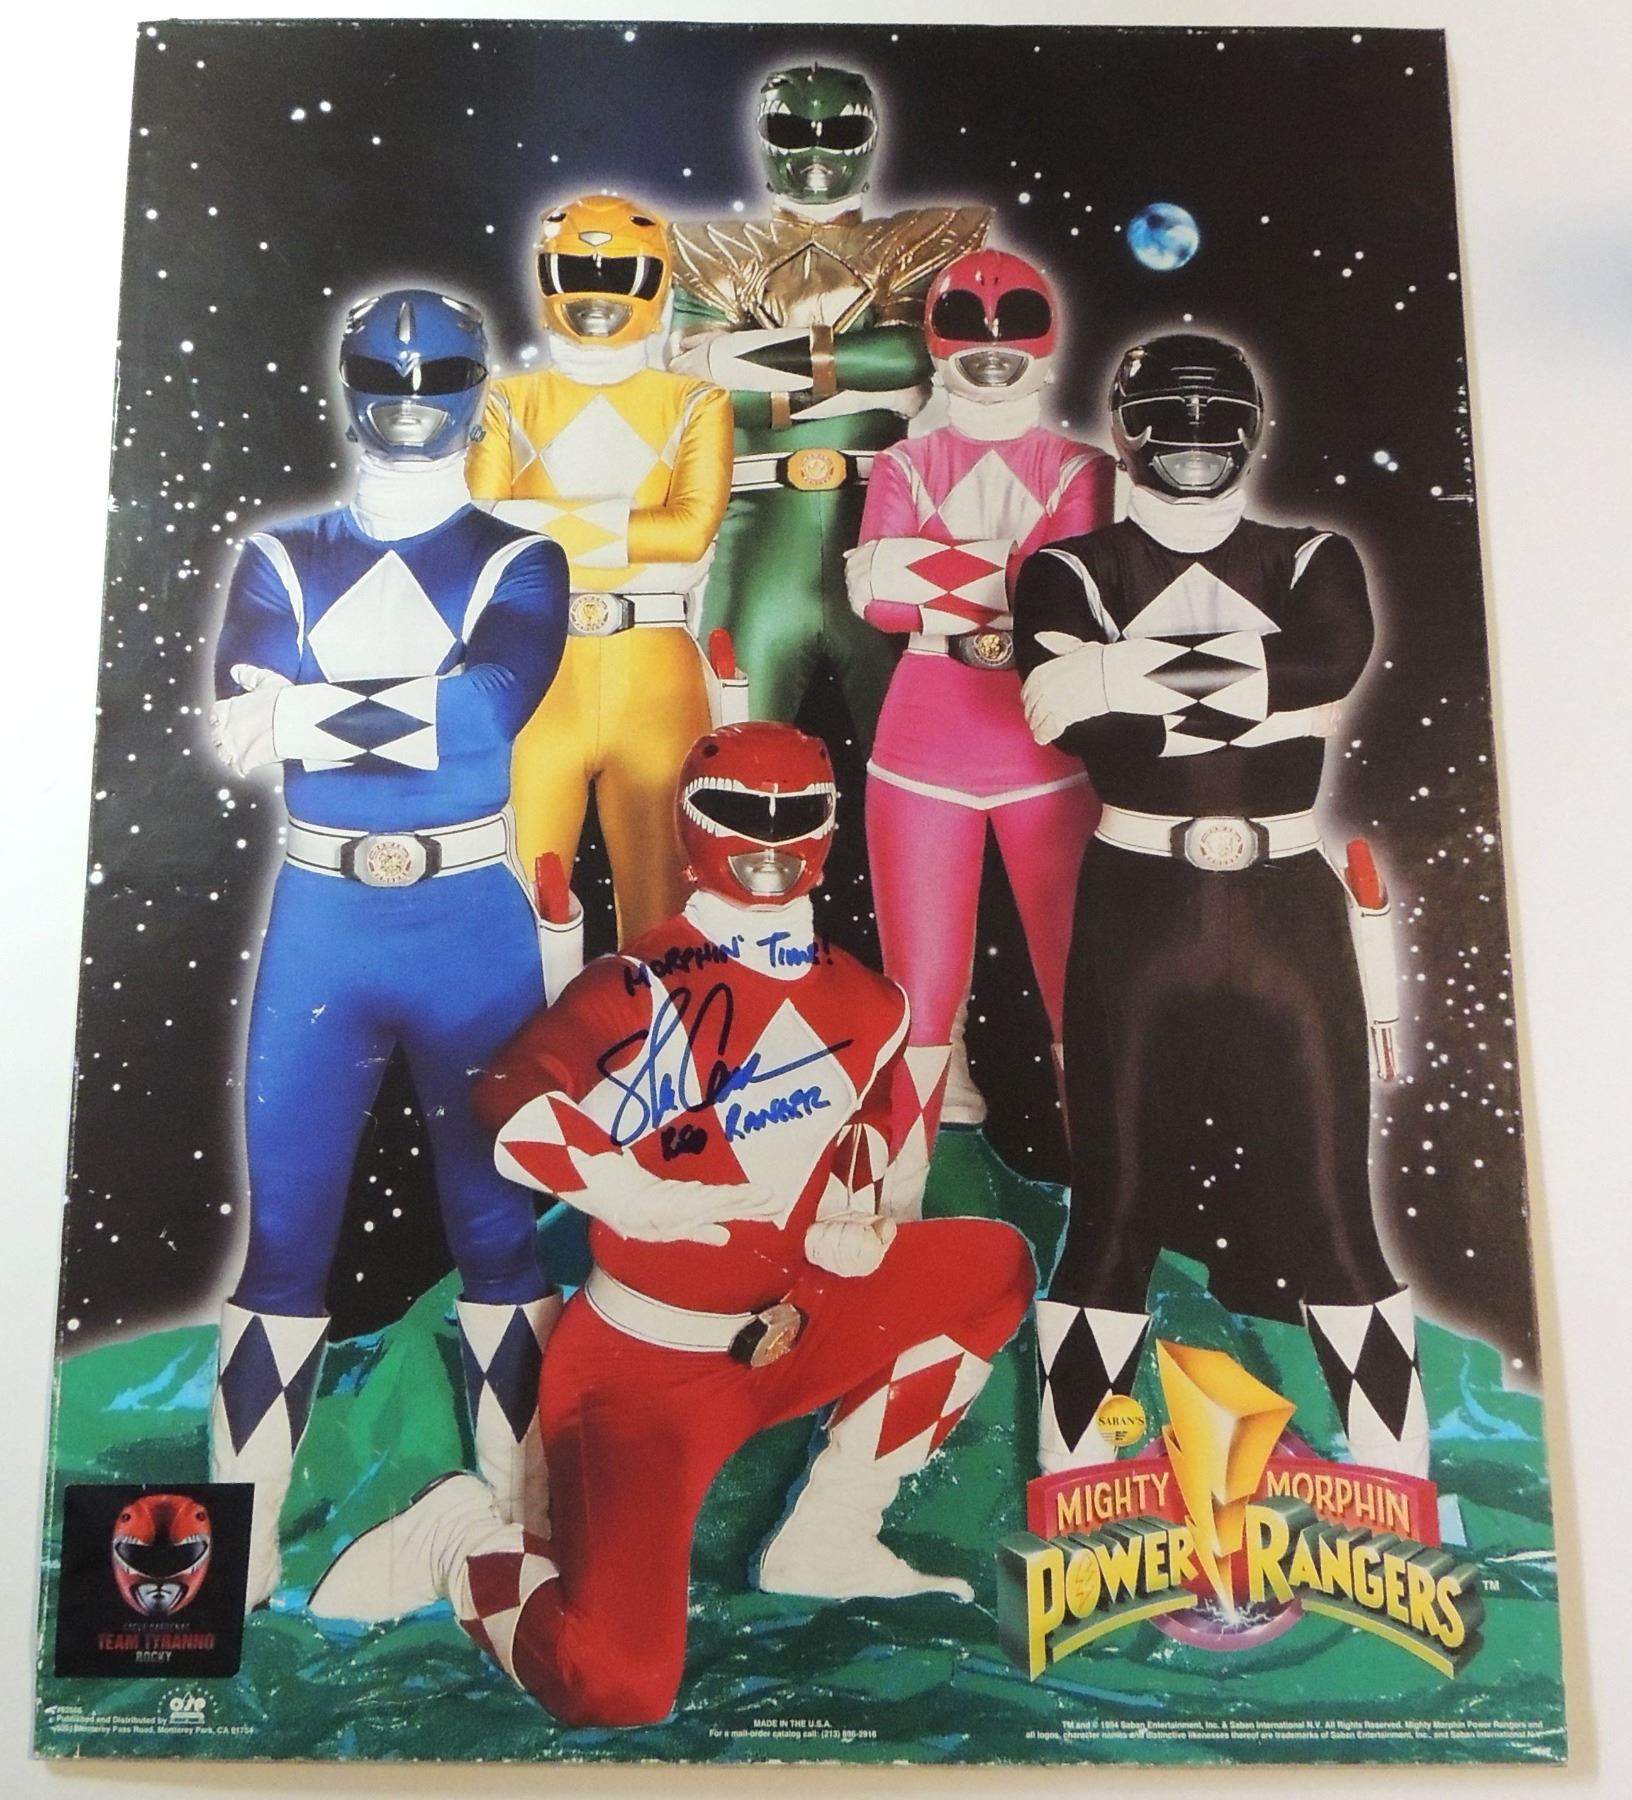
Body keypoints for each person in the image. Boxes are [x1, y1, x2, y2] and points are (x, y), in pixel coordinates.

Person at [308, 722, 1034, 1727]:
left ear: (830, 826)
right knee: (616, 1683)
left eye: (794, 816)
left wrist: (855, 1209)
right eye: (740, 814)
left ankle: (831, 1530)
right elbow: (512, 1095)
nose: (768, 843)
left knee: (992, 1267)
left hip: (798, 1324)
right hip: (643, 1373)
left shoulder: (871, 1002)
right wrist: (624, 1190)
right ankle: (457, 1540)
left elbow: (859, 1127)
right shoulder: (637, 981)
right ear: (694, 824)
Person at [205, 289, 571, 1608]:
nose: (411, 408)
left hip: (467, 923)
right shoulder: (279, 554)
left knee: (501, 1231)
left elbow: (491, 714)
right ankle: (231, 1549)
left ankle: (525, 1526)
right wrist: (400, 710)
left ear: (477, 394)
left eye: (437, 384)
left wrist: (307, 710)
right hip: (324, 921)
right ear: (350, 383)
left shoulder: (521, 557)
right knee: (284, 1241)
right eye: (386, 380)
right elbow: (237, 733)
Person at [1012, 332, 1428, 1479]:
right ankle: (1072, 1494)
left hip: (1286, 902)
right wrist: (1264, 690)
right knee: (1111, 1220)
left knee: (1338, 1221)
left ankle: (1400, 1485)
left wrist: (1120, 671)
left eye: (1215, 421)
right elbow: (1074, 726)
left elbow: (1330, 669)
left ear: (1251, 431)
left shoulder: (1312, 555)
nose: (1192, 444)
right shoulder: (1067, 568)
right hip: (1136, 903)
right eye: (1168, 418)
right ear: (1125, 430)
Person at [847, 250, 1114, 1211]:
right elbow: (873, 598)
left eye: (1014, 325)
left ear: (1047, 340)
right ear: (936, 339)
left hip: (1046, 746)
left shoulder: (1084, 466)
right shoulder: (902, 462)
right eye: (966, 323)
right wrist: (1013, 572)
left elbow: (1064, 598)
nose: (992, 345)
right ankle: (898, 1203)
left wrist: (926, 572)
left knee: (1078, 988)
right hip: (921, 746)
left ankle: (1108, 1217)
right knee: (917, 995)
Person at [670, 62, 990, 740]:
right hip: (758, 528)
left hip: (878, 523)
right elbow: (702, 393)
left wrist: (742, 358)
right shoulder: (711, 248)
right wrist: (864, 385)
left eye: (838, 132)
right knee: (731, 749)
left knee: (910, 753)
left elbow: (909, 358)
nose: (816, 149)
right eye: (794, 130)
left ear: (870, 138)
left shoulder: (916, 241)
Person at [467, 192, 732, 945]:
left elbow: (690, 533)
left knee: (665, 922)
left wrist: (538, 523)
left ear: (658, 281)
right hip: (535, 669)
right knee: (517, 913)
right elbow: (478, 533)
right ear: (544, 278)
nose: (597, 294)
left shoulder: (697, 400)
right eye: (576, 271)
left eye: (620, 272)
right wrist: (632, 526)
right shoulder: (506, 399)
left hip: (654, 676)